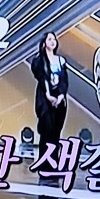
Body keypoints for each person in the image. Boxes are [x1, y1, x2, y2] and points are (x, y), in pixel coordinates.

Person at [31, 31, 68, 169]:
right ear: (44, 43)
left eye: (54, 39)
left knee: (56, 132)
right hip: (45, 99)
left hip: (59, 100)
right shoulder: (39, 60)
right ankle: (44, 163)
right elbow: (41, 77)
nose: (53, 41)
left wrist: (61, 95)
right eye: (50, 39)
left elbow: (64, 80)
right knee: (46, 131)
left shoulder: (61, 61)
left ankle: (54, 163)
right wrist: (48, 94)